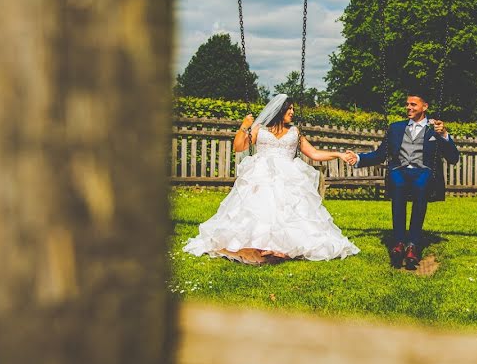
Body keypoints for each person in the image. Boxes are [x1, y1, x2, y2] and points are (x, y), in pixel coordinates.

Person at [184, 94, 360, 264]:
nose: (292, 112)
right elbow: (239, 147)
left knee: (289, 212)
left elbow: (313, 153)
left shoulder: (295, 131)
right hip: (262, 174)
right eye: (289, 109)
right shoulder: (259, 129)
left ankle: (284, 245)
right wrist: (244, 126)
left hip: (289, 176)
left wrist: (339, 154)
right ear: (279, 110)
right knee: (260, 209)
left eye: (293, 109)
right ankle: (259, 243)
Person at [343, 93, 460, 269]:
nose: (409, 108)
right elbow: (380, 154)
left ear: (424, 107)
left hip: (424, 171)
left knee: (421, 186)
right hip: (400, 170)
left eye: (413, 104)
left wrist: (444, 135)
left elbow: (453, 158)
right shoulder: (396, 128)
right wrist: (358, 158)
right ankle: (398, 243)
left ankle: (412, 244)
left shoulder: (434, 129)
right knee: (397, 184)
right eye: (407, 104)